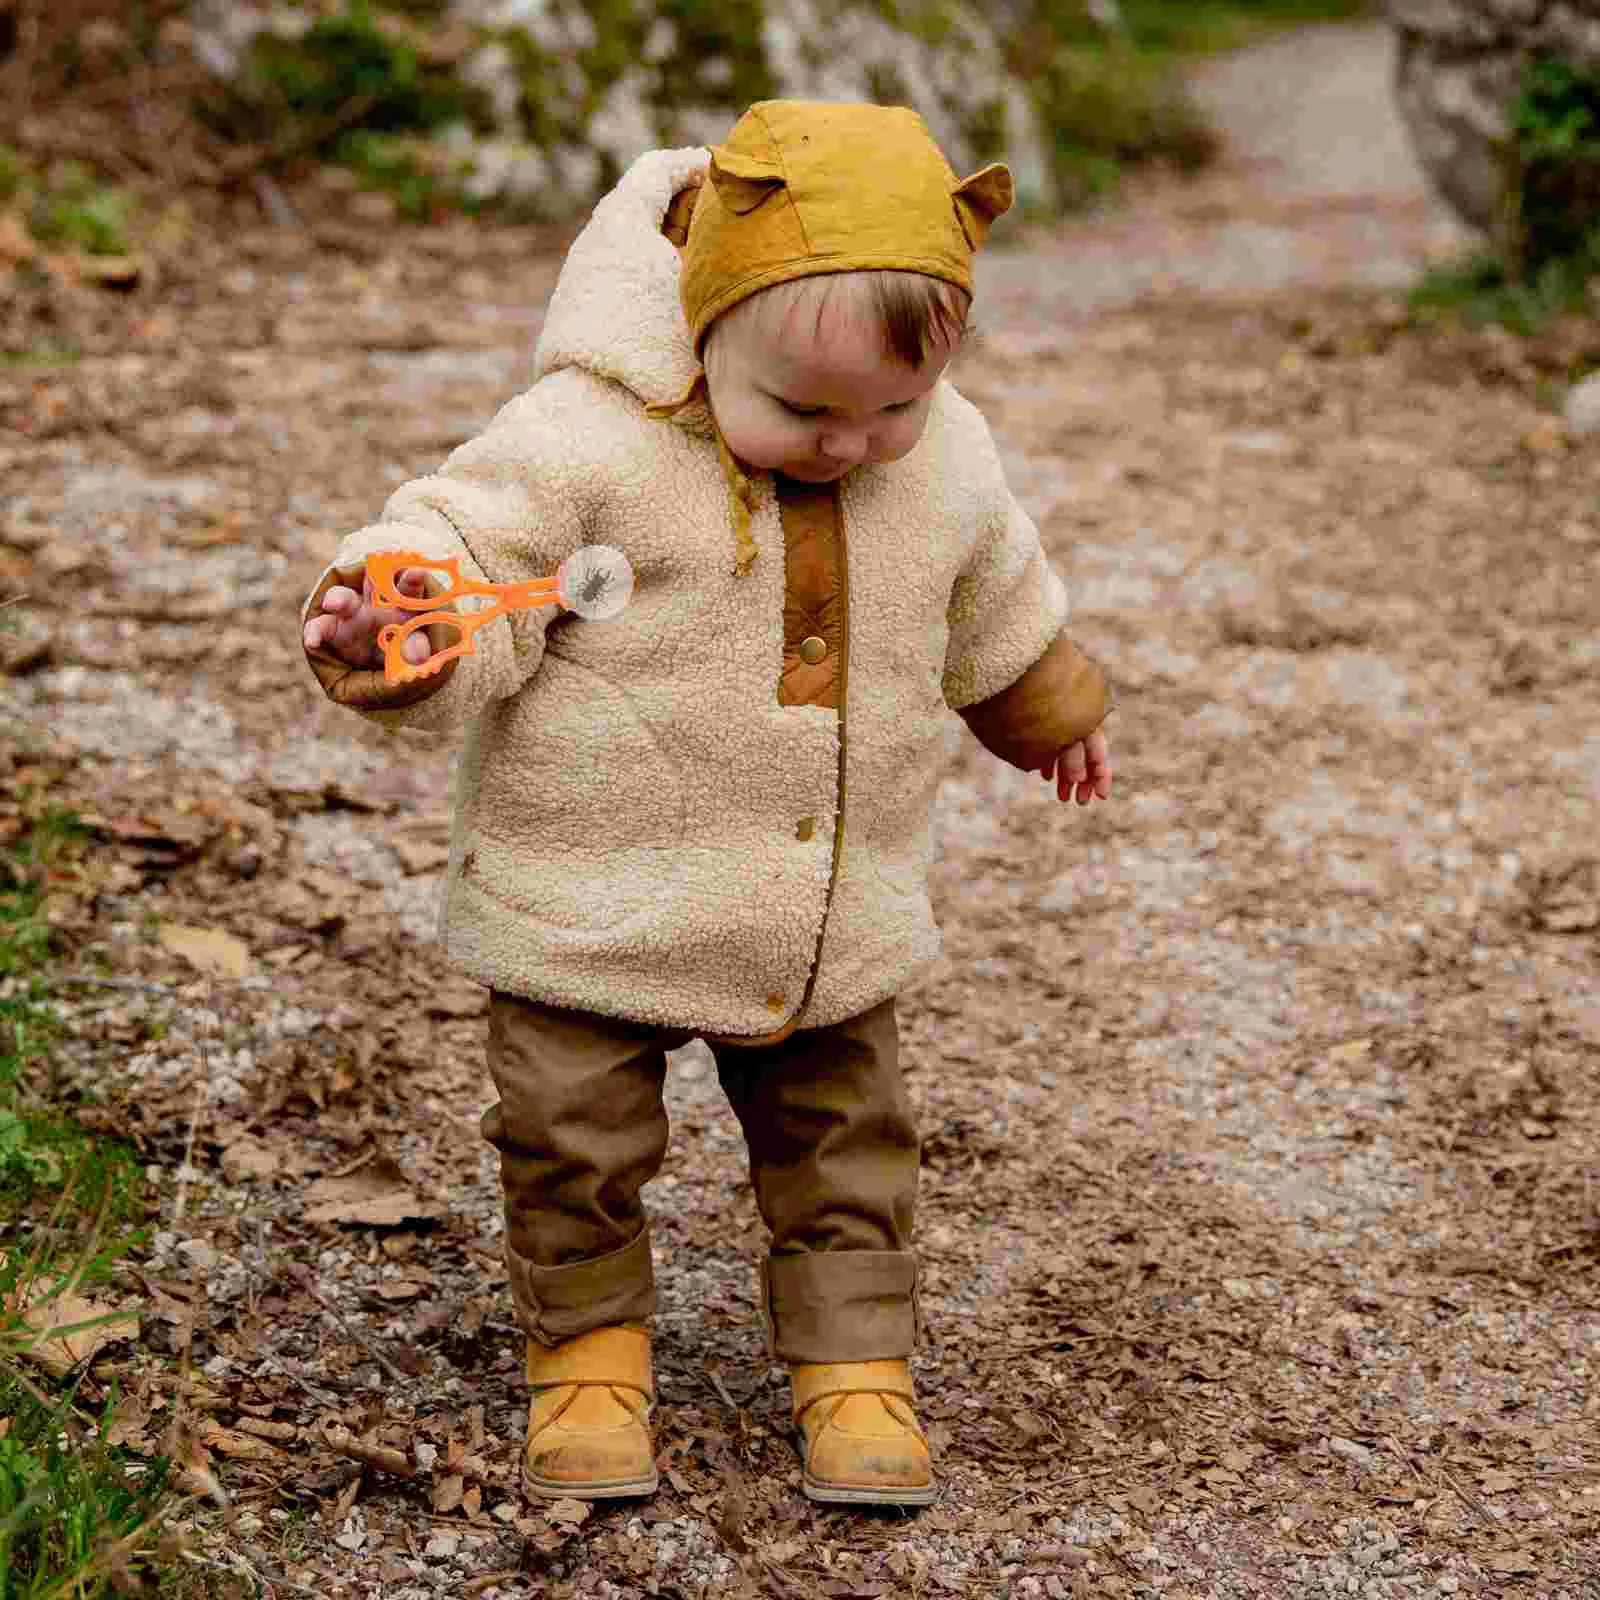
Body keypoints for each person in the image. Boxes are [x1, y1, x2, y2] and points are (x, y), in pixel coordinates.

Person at [300, 100, 1113, 1509]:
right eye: (805, 412)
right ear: (701, 325)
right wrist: (402, 610)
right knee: (570, 1133)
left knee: (848, 1136)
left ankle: (855, 1368)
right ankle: (590, 1357)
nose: (851, 447)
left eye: (892, 411)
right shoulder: (587, 435)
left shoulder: (946, 457)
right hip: (589, 894)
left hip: (817, 912)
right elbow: (467, 543)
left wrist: (1051, 716)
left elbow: (993, 600)